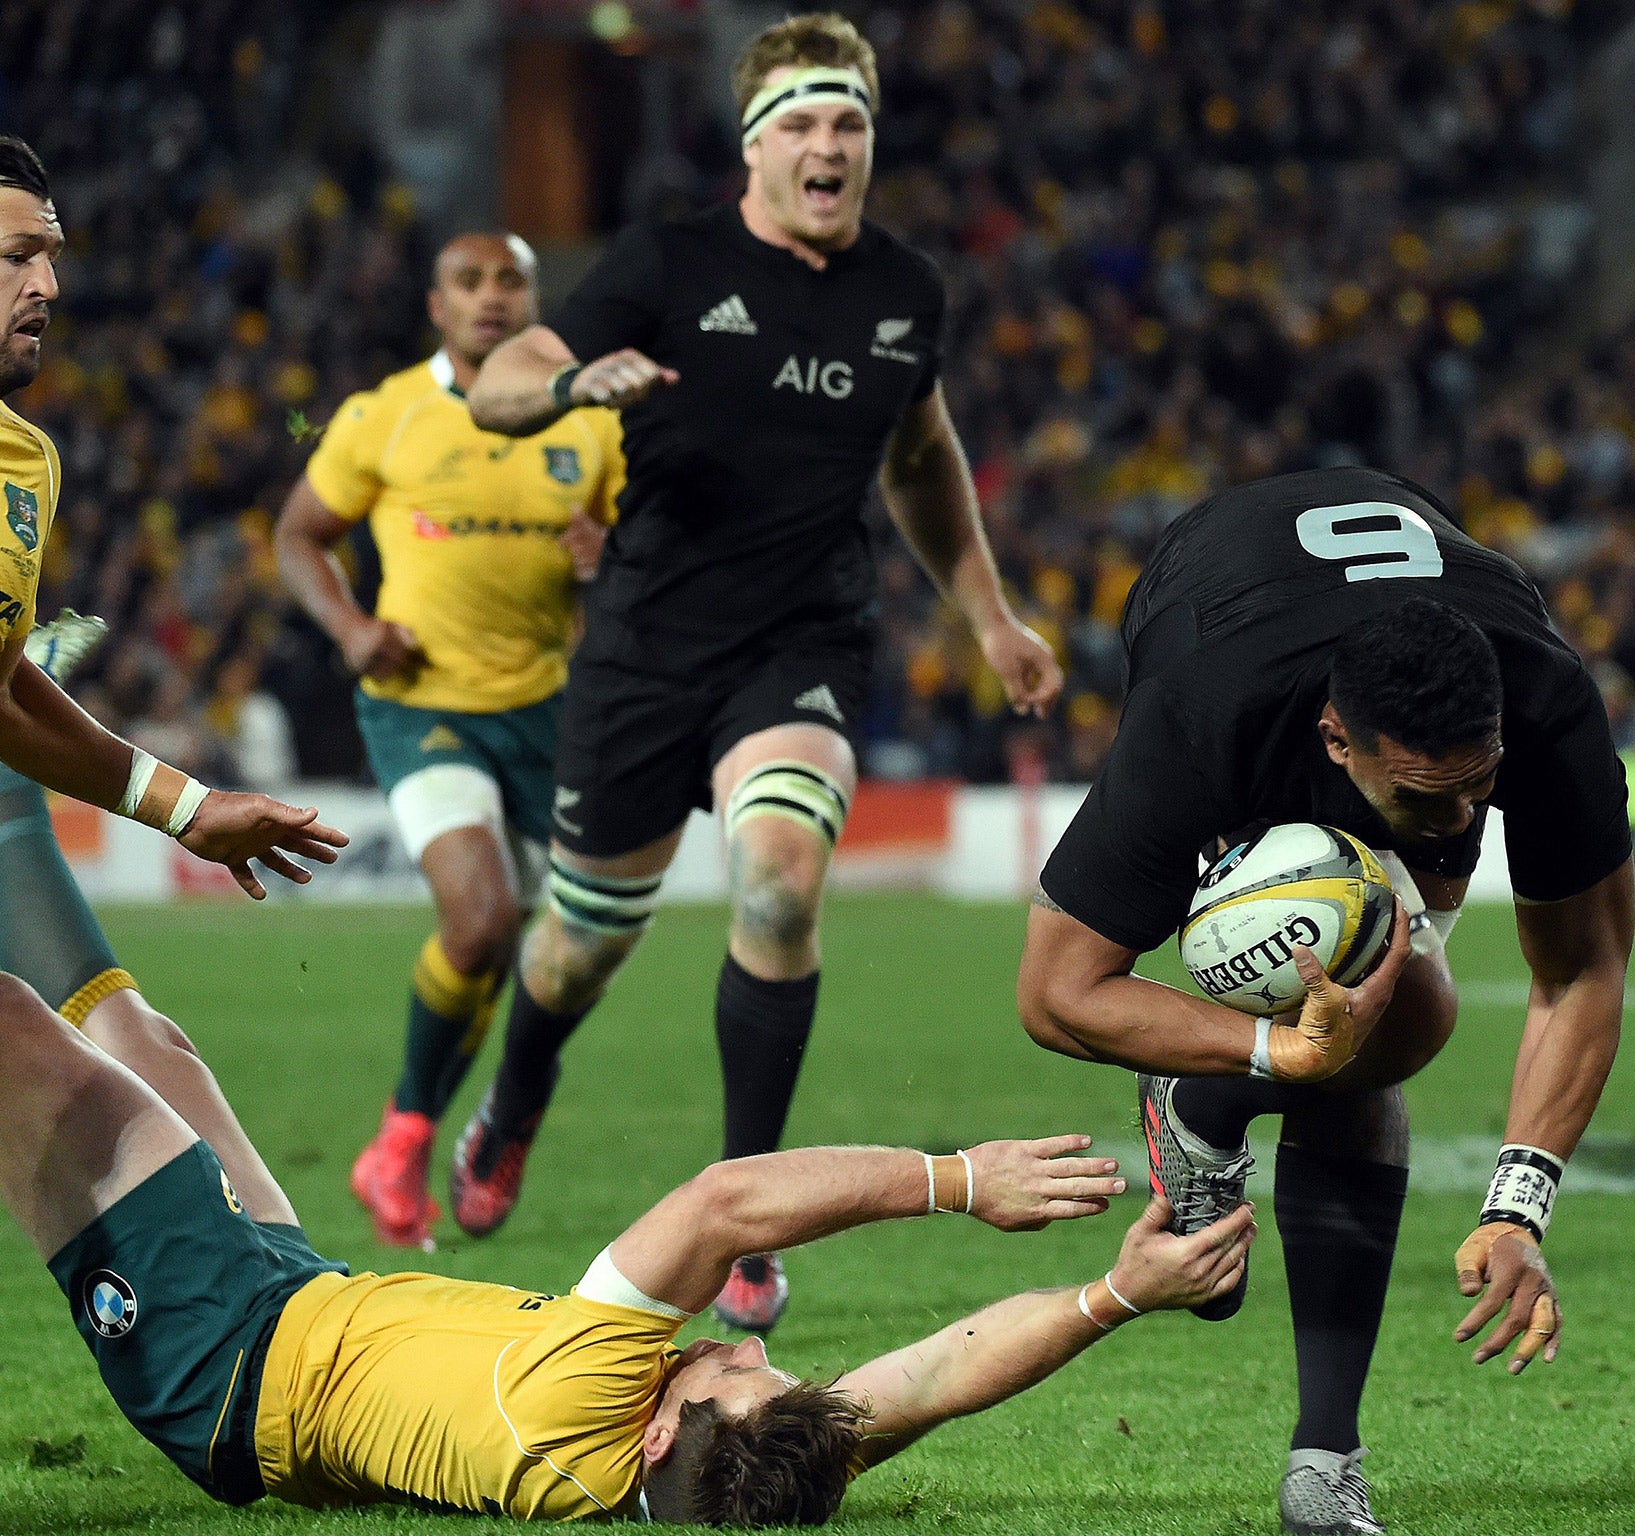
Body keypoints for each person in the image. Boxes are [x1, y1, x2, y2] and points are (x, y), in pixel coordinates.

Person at [463, 12, 1062, 1332]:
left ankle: (748, 1209)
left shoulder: (906, 292)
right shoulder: (669, 259)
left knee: (783, 884)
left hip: (801, 645)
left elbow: (919, 457)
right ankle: (511, 1104)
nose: (829, 143)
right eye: (801, 121)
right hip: (643, 651)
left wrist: (991, 616)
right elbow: (503, 377)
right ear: (754, 145)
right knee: (571, 957)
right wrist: (564, 390)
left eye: (848, 121)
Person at [3, 943, 1256, 1523]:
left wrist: (955, 1179)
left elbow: (721, 1205)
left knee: (12, 1024)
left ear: (657, 1424)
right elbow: (931, 1379)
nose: (729, 1342)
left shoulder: (585, 1403)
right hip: (301, 1312)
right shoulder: (738, 1480)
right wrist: (1115, 1296)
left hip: (220, 1349)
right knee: (143, 1043)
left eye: (722, 1363)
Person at [1017, 466, 1635, 1535]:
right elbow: (1054, 994)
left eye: (1479, 787)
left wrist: (1515, 1212)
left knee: (1397, 1016)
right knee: (1352, 1020)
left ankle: (1321, 1464)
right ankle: (1202, 1098)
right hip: (1204, 587)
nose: (1455, 823)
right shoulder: (1201, 714)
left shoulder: (1543, 701)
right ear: (1338, 741)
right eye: (1421, 796)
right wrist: (1274, 1052)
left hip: (1394, 558)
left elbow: (1580, 969)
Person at [275, 232, 624, 1249]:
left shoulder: (586, 420)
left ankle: (435, 1133)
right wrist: (349, 629)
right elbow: (299, 534)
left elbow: (639, 562)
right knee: (476, 923)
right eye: (468, 280)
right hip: (420, 698)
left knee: (550, 953)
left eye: (510, 276)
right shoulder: (384, 414)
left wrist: (613, 557)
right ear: (435, 304)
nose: (490, 296)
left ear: (531, 295)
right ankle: (405, 1134)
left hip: (547, 714)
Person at [0, 135, 344, 898]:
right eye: (18, 255)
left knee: (144, 1028)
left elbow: (6, 694)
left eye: (51, 257)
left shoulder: (27, 465)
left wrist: (191, 808)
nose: (49, 285)